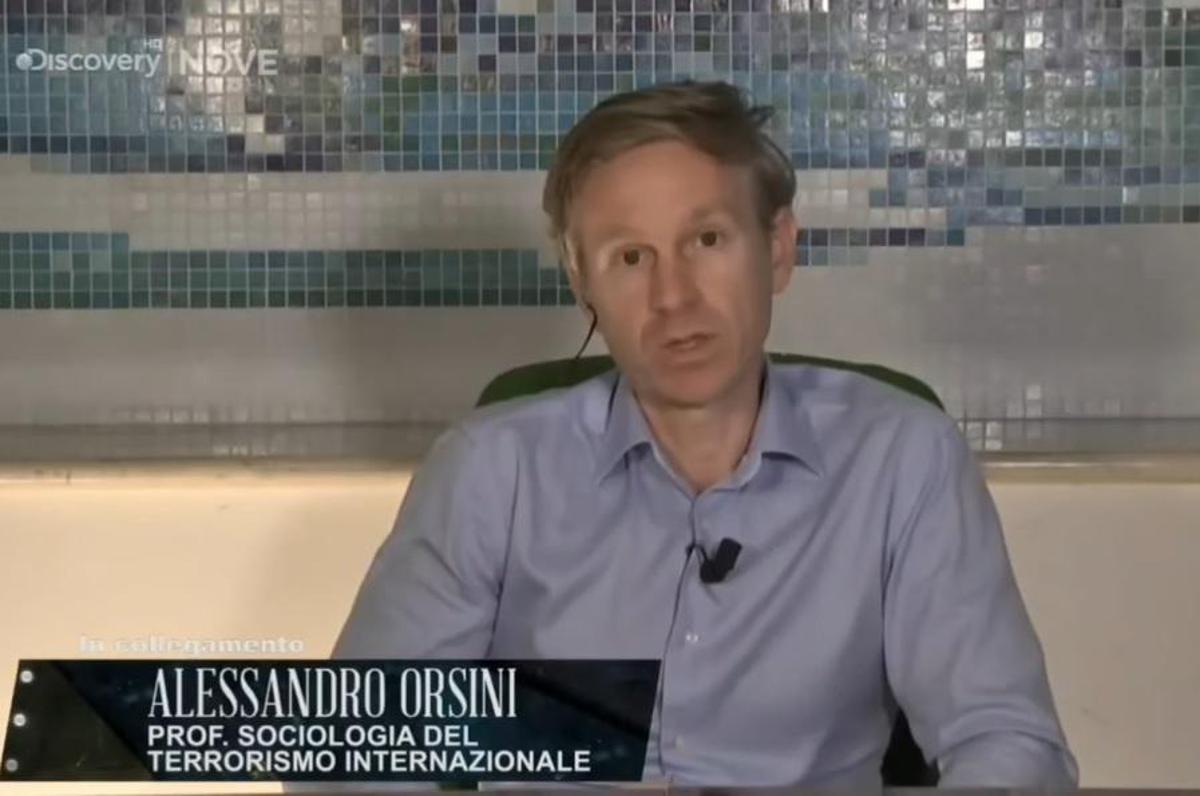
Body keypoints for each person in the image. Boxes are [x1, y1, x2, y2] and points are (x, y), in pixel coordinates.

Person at [332, 80, 1079, 788]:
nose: (674, 297)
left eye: (709, 240)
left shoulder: (902, 459)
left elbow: (1008, 743)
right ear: (582, 281)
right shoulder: (491, 470)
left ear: (777, 249)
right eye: (631, 257)